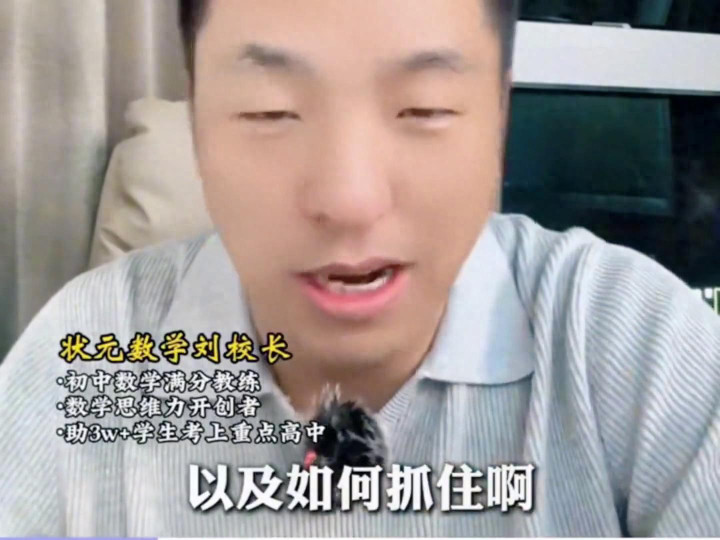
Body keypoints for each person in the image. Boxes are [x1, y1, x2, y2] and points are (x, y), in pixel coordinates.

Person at [1, 0, 719, 536]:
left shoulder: (631, 345)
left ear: (497, 120)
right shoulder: (91, 353)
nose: (349, 199)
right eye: (272, 112)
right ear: (198, 127)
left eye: (423, 109)